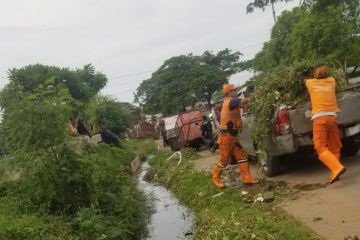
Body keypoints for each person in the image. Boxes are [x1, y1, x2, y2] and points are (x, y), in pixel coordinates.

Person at [211, 84, 259, 188]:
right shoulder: (231, 101)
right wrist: (255, 96)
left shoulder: (231, 102)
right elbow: (243, 101)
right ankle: (215, 179)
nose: (235, 91)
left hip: (232, 136)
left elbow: (242, 106)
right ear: (228, 92)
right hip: (226, 137)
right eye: (233, 90)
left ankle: (247, 179)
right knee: (223, 161)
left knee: (242, 157)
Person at [305, 64, 346, 183]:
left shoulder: (310, 83)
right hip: (332, 117)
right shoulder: (332, 81)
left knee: (320, 147)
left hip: (319, 118)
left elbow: (304, 80)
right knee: (334, 145)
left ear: (315, 75)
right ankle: (335, 171)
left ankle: (337, 167)